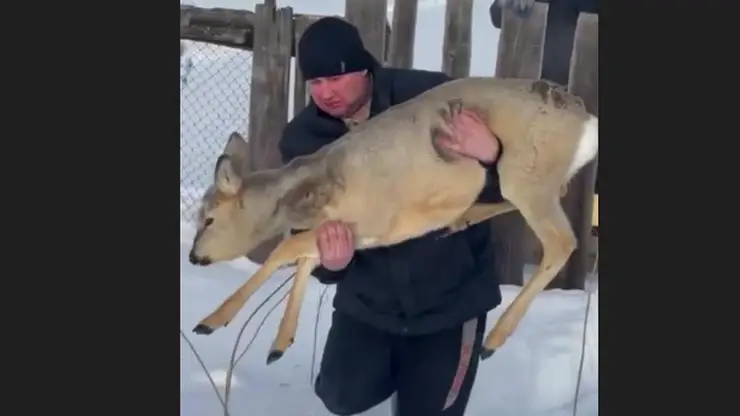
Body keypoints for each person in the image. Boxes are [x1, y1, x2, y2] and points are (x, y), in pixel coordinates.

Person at [278, 17, 505, 416]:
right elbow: (306, 229)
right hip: (370, 302)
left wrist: (492, 155)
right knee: (339, 395)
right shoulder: (304, 142)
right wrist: (332, 265)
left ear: (364, 68)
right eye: (315, 82)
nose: (326, 92)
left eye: (336, 77)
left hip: (450, 300)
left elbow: (506, 191)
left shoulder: (430, 98)